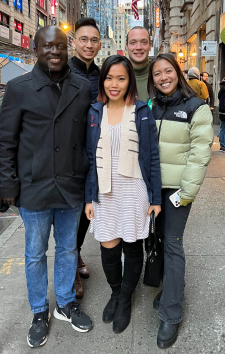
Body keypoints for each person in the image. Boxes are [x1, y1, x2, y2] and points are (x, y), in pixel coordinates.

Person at [0, 26, 93, 348]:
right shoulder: (18, 87)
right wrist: (7, 183)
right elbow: (6, 141)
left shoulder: (81, 87)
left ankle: (65, 302)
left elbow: (88, 139)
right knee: (35, 254)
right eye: (48, 46)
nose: (55, 52)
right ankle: (40, 310)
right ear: (35, 48)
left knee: (68, 249)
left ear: (68, 49)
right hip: (34, 190)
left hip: (71, 186)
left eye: (61, 47)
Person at [84, 55, 162, 334]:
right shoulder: (94, 111)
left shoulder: (141, 110)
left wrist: (156, 199)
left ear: (130, 81)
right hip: (105, 191)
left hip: (134, 190)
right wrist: (88, 197)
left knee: (131, 246)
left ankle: (126, 298)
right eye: (109, 77)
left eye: (121, 78)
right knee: (108, 246)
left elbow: (152, 157)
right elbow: (89, 159)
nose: (114, 84)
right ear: (102, 80)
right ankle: (116, 292)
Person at [147, 53, 213, 349]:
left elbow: (200, 155)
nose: (163, 78)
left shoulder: (196, 108)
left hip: (176, 192)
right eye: (157, 74)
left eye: (168, 71)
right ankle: (171, 290)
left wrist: (185, 193)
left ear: (178, 72)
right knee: (158, 240)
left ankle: (171, 313)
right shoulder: (151, 105)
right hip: (152, 189)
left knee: (172, 243)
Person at [69, 17, 101, 298]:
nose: (89, 45)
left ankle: (76, 252)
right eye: (84, 39)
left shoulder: (103, 75)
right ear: (74, 41)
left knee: (87, 210)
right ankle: (70, 266)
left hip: (95, 153)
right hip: (68, 153)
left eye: (93, 40)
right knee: (71, 211)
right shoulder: (62, 71)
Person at [126, 26, 152, 101]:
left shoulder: (161, 76)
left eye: (144, 42)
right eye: (133, 42)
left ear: (150, 46)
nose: (138, 47)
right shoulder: (115, 77)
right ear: (127, 46)